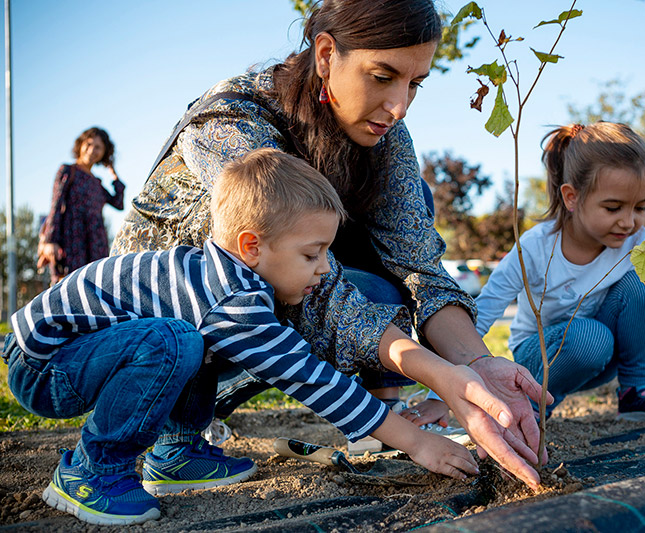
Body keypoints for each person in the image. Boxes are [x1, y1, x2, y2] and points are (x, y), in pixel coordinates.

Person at [111, 0, 549, 487]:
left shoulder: (388, 137)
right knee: (322, 278)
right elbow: (309, 290)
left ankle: (371, 411)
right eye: (383, 76)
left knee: (392, 261)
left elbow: (418, 267)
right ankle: (175, 424)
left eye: (415, 83)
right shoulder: (230, 122)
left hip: (265, 318)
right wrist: (437, 377)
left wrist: (476, 366)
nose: (400, 105)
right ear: (325, 54)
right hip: (156, 334)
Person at [2, 148, 506, 526]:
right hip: (46, 364)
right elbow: (310, 379)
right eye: (312, 255)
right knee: (175, 341)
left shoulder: (225, 282)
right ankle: (90, 469)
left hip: (75, 351)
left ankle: (176, 451)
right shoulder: (231, 301)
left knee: (191, 341)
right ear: (251, 246)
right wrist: (416, 442)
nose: (325, 268)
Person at [475, 122, 645, 423]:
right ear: (572, 197)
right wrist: (443, 392)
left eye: (640, 208)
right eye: (613, 208)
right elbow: (482, 313)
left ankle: (636, 391)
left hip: (602, 354)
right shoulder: (534, 248)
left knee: (642, 280)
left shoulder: (640, 245)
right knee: (590, 337)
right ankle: (530, 405)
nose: (628, 222)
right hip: (538, 362)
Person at [38, 127, 125, 285]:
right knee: (69, 288)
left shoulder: (97, 183)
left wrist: (113, 172)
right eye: (89, 144)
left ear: (104, 153)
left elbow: (118, 203)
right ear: (81, 145)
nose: (92, 150)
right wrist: (51, 240)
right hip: (72, 240)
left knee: (96, 286)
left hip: (96, 242)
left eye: (98, 147)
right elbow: (56, 206)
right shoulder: (68, 171)